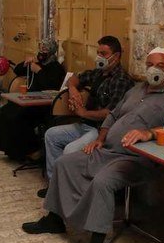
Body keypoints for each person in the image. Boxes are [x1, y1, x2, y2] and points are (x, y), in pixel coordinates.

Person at [22, 47, 164, 243]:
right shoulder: (135, 90)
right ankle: (54, 219)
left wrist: (148, 133)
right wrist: (100, 139)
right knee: (65, 163)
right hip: (108, 149)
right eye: (151, 64)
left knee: (103, 182)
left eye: (161, 66)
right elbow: (112, 115)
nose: (155, 69)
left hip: (135, 158)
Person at [39, 36, 133, 197]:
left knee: (70, 150)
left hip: (100, 130)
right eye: (98, 53)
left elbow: (110, 113)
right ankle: (55, 185)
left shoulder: (121, 80)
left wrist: (83, 113)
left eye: (103, 53)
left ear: (116, 56)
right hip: (84, 125)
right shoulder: (98, 72)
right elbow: (74, 79)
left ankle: (68, 192)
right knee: (51, 135)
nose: (99, 57)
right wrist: (73, 90)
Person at [0, 38, 66, 161]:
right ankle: (7, 149)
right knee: (3, 112)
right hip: (29, 101)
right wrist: (26, 63)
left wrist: (39, 71)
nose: (42, 51)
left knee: (17, 117)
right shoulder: (38, 63)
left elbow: (50, 85)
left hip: (43, 105)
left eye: (45, 49)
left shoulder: (55, 68)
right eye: (41, 48)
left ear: (51, 51)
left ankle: (28, 151)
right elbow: (17, 70)